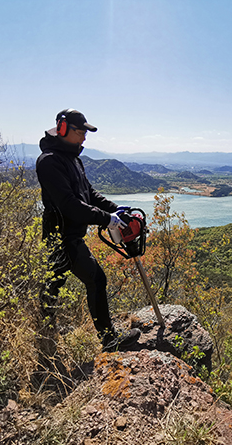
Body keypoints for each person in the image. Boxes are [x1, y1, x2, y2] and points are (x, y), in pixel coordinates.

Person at [36, 109, 141, 353]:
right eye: (79, 131)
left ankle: (44, 337)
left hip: (70, 234)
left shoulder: (73, 159)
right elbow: (69, 204)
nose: (84, 136)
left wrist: (116, 210)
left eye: (85, 131)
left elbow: (89, 194)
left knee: (53, 287)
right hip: (60, 237)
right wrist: (107, 220)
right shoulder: (50, 161)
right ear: (63, 129)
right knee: (94, 279)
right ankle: (108, 340)